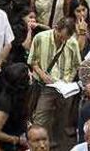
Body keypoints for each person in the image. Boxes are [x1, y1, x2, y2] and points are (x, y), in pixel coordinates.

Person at [28, 17, 81, 151]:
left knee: (61, 118)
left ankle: (54, 145)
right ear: (56, 28)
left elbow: (76, 65)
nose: (62, 40)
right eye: (60, 37)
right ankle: (35, 144)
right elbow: (32, 61)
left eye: (65, 39)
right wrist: (43, 75)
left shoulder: (72, 43)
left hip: (64, 87)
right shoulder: (40, 38)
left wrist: (68, 79)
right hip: (46, 85)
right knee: (40, 117)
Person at [0, 63, 31, 150]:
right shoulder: (6, 102)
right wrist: (17, 140)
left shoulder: (20, 95)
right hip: (10, 146)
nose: (31, 74)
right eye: (28, 72)